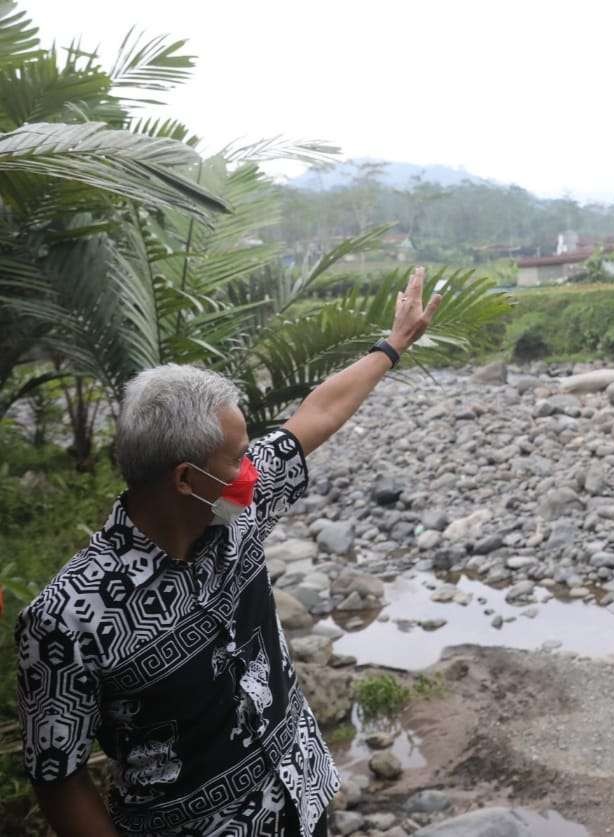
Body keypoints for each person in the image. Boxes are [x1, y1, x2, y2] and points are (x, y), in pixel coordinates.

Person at [14, 267, 442, 836]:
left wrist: (391, 346)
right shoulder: (65, 619)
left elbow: (314, 416)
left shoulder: (237, 511)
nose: (254, 469)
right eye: (239, 458)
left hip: (302, 795)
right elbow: (58, 775)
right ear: (186, 480)